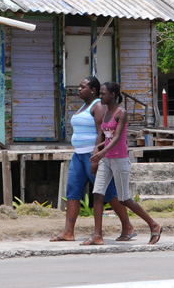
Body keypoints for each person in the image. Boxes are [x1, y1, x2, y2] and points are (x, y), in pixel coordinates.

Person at [50, 76, 136, 243]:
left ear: (93, 90)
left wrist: (97, 157)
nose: (79, 89)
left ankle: (127, 226)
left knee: (108, 193)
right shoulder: (84, 106)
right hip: (78, 155)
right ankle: (68, 231)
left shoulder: (98, 106)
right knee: (73, 192)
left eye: (83, 87)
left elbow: (102, 133)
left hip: (92, 155)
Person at [86, 81, 162, 245]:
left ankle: (154, 224)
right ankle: (97, 236)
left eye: (103, 94)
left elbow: (117, 136)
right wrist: (98, 150)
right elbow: (106, 137)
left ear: (112, 95)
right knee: (97, 195)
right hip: (106, 160)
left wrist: (102, 151)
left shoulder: (121, 112)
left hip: (119, 159)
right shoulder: (106, 112)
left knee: (124, 199)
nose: (100, 96)